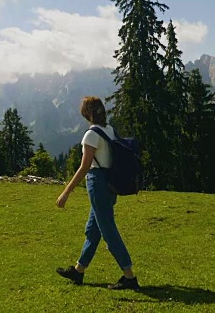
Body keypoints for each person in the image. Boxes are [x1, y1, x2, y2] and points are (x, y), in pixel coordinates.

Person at [55, 96, 139, 290]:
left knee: (108, 231)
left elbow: (84, 167)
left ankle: (129, 277)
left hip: (97, 184)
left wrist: (66, 192)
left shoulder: (91, 135)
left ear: (88, 113)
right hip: (111, 184)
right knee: (93, 230)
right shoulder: (109, 130)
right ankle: (78, 271)